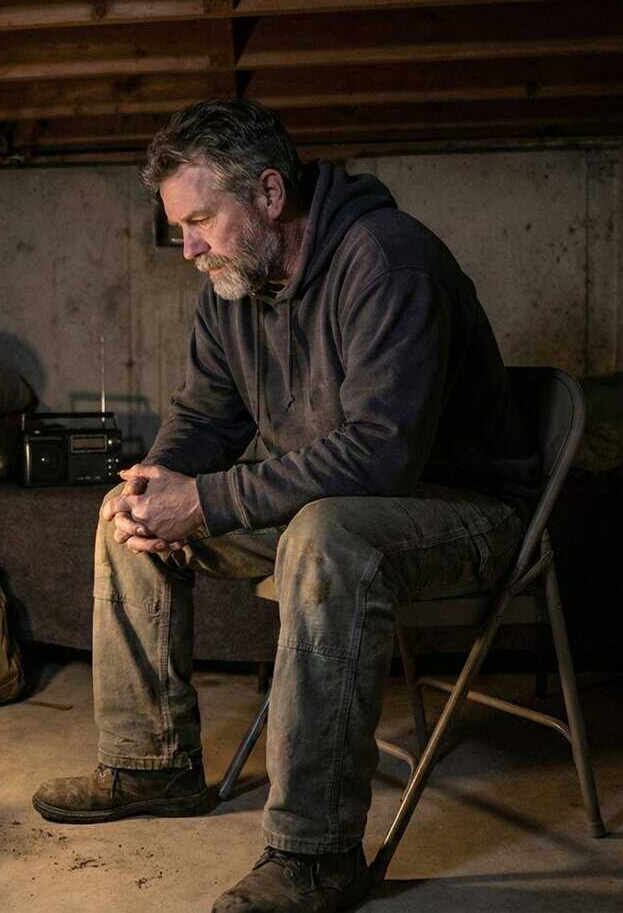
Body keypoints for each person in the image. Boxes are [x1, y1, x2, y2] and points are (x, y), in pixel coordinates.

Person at [30, 100, 542, 913]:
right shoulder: (234, 282)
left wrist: (206, 500)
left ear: (269, 193)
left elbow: (382, 452)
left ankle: (315, 856)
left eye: (200, 220)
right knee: (119, 514)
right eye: (179, 227)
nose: (188, 247)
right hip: (327, 504)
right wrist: (159, 482)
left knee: (324, 537)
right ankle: (151, 763)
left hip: (459, 510)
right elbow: (208, 416)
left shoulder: (387, 259)